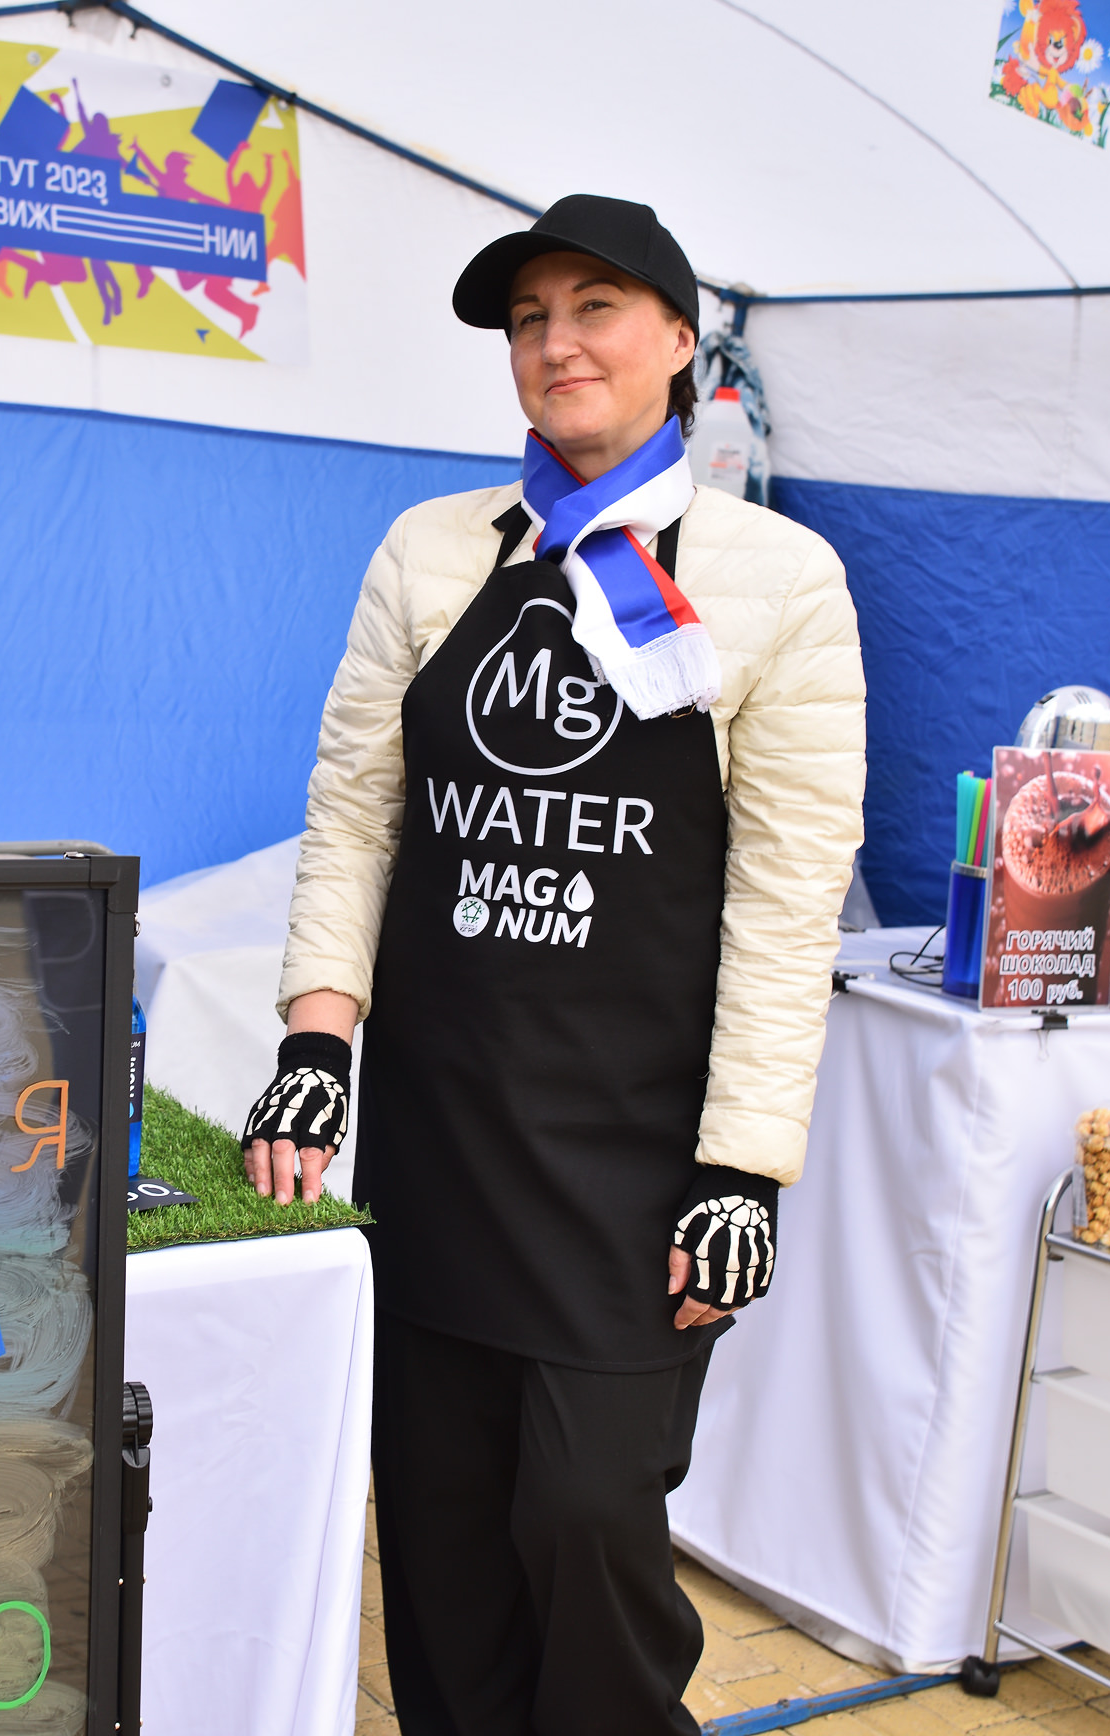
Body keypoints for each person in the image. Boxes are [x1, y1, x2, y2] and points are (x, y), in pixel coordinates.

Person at [241, 195, 865, 1734]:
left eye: (595, 308)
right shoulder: (432, 551)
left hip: (633, 1168)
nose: (557, 343)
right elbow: (357, 815)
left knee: (588, 1525)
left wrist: (746, 1171)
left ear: (680, 343)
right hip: (441, 1139)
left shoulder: (781, 579)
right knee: (442, 1539)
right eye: (530, 320)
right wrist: (317, 1044)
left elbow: (787, 903)